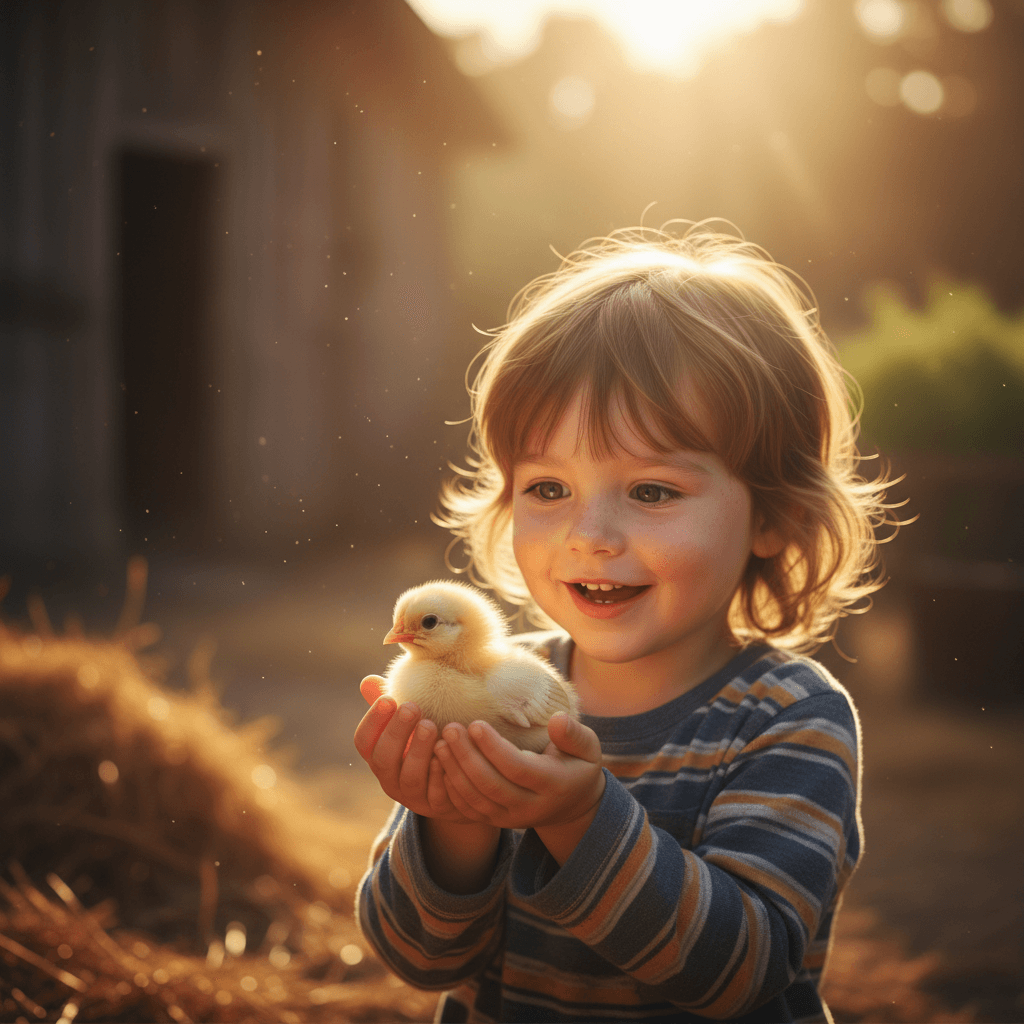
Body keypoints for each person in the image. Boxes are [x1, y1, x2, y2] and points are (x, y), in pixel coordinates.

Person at [353, 223, 893, 1022]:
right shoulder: (486, 691)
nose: (590, 535)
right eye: (546, 488)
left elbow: (737, 972)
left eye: (651, 492)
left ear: (772, 518)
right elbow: (422, 958)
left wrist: (577, 818)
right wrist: (451, 817)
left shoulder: (787, 721)